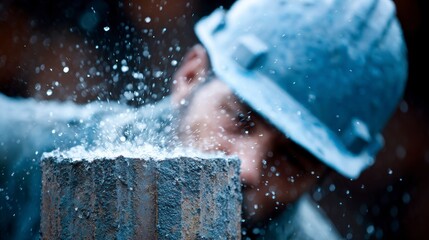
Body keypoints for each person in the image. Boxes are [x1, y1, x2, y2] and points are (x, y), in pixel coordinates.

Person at [0, 0, 408, 239]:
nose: (247, 168)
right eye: (239, 120)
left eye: (293, 160)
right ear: (191, 75)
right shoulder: (17, 149)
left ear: (323, 175)